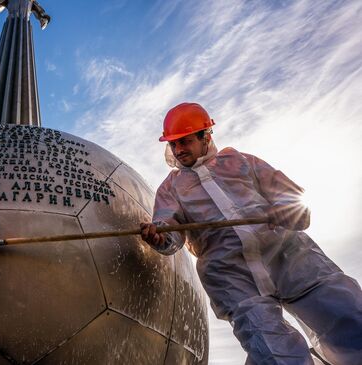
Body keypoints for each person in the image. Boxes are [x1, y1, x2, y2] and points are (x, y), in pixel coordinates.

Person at [140, 102, 362, 365]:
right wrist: (160, 238)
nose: (178, 150)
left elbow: (295, 201)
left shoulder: (242, 162)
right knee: (274, 352)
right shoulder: (170, 189)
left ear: (205, 136)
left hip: (291, 258)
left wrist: (287, 211)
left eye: (185, 141)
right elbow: (169, 229)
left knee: (348, 317)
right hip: (232, 276)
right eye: (174, 144)